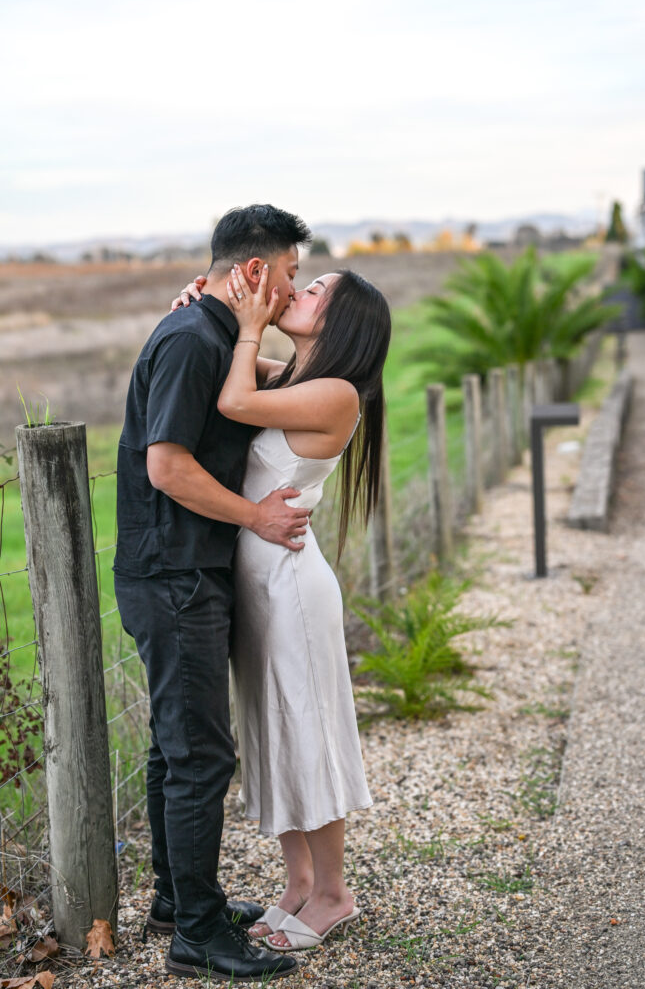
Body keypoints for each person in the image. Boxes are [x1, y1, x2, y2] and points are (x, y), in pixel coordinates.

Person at [113, 205, 314, 983]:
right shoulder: (194, 339)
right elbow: (168, 466)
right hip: (173, 576)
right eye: (291, 272)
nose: (294, 285)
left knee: (175, 749)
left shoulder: (209, 335)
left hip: (179, 571)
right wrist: (255, 516)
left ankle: (176, 901)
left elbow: (265, 390)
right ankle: (196, 933)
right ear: (254, 273)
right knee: (201, 756)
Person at [171, 260, 391, 952]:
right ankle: (297, 882)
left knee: (306, 733)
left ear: (344, 321)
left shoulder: (335, 395)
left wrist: (245, 326)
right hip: (259, 582)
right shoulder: (294, 380)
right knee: (271, 734)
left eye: (318, 290)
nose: (301, 289)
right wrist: (196, 306)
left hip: (291, 588)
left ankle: (332, 893)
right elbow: (228, 372)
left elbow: (234, 401)